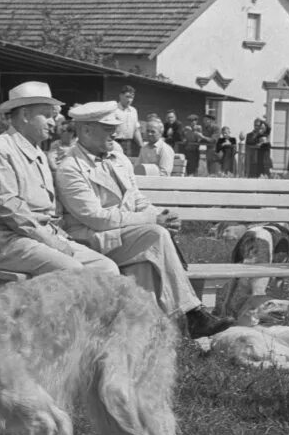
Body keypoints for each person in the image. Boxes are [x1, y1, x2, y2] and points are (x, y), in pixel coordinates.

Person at [53, 101, 231, 338]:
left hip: (125, 237)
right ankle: (192, 313)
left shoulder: (118, 158)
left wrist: (160, 214)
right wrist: (152, 220)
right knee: (154, 235)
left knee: (147, 257)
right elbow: (96, 218)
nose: (115, 132)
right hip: (92, 240)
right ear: (86, 131)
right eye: (108, 128)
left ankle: (152, 333)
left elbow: (136, 198)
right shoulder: (70, 168)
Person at [0, 82, 116, 277]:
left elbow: (47, 210)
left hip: (40, 237)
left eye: (53, 116)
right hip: (5, 241)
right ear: (25, 115)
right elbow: (10, 209)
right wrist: (50, 241)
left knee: (106, 268)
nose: (52, 123)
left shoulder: (38, 151)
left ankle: (86, 309)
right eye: (46, 115)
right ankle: (57, 308)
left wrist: (59, 237)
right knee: (72, 270)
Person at [112, 85, 143, 157]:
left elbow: (136, 130)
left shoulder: (134, 111)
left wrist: (142, 145)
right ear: (120, 96)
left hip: (128, 144)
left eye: (131, 97)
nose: (129, 100)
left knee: (127, 164)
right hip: (115, 143)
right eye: (127, 97)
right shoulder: (113, 109)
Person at [180, 112, 209, 176]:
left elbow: (199, 139)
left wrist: (196, 131)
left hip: (195, 150)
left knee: (195, 166)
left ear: (197, 121)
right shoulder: (186, 128)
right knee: (188, 166)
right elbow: (182, 136)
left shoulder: (198, 128)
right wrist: (184, 133)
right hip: (187, 149)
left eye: (194, 120)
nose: (193, 122)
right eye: (191, 121)